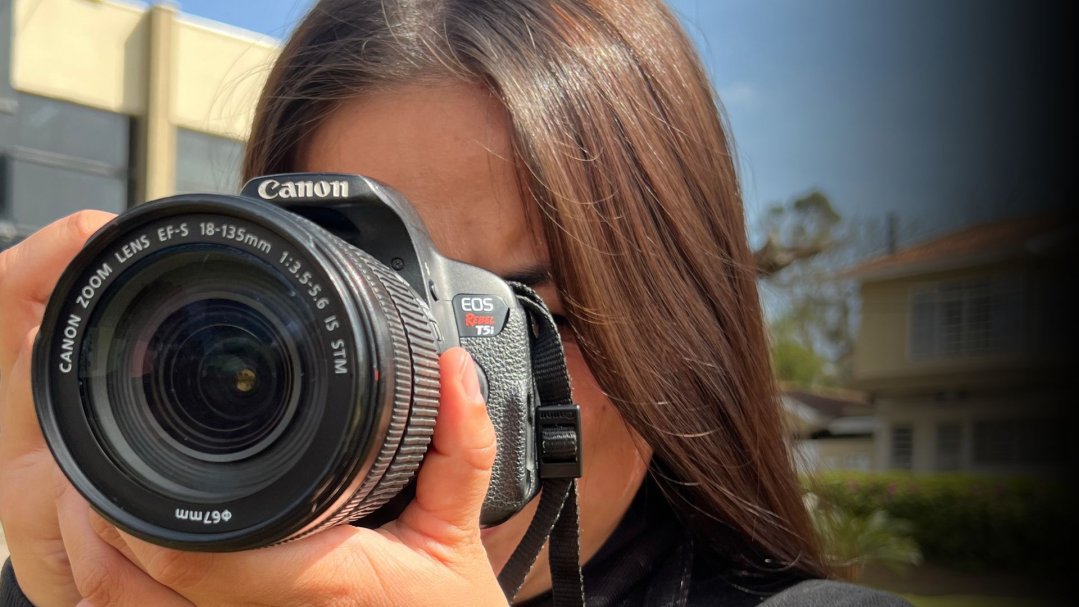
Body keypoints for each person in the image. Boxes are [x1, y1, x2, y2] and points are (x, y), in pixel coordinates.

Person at [0, 1, 909, 605]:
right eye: (371, 296)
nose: (437, 387)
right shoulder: (94, 582)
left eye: (518, 306)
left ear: (674, 321)